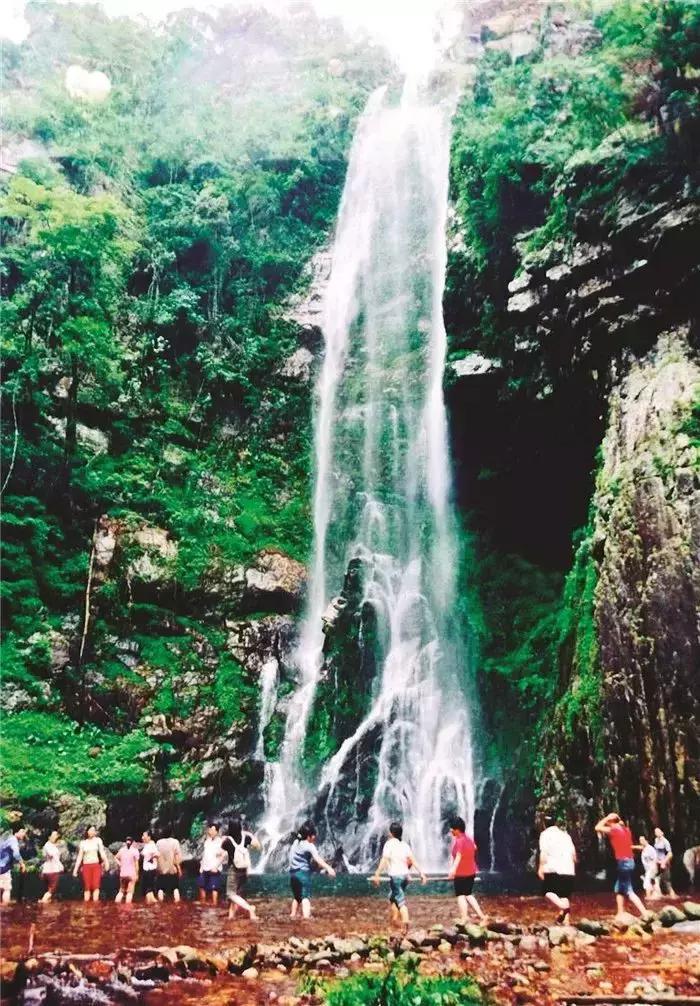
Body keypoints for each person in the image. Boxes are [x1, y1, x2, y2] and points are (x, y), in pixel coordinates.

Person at [372, 821, 427, 931]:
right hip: (405, 877)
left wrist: (377, 873)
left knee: (401, 902)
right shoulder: (404, 845)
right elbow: (412, 860)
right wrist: (421, 873)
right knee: (393, 897)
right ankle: (394, 920)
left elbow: (385, 859)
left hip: (396, 877)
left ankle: (406, 924)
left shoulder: (389, 844)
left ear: (391, 833)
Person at [595, 812, 646, 919]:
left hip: (623, 862)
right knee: (619, 888)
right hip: (630, 861)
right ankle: (620, 913)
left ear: (611, 822)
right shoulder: (626, 830)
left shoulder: (613, 830)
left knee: (628, 890)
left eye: (608, 822)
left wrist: (606, 818)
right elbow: (628, 845)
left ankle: (644, 913)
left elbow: (597, 827)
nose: (607, 824)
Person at [289, 821, 336, 920]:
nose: (315, 837)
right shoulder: (309, 846)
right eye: (314, 835)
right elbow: (317, 859)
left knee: (297, 897)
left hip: (293, 874)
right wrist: (329, 868)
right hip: (303, 875)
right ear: (309, 836)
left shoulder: (296, 842)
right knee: (305, 897)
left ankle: (293, 915)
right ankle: (306, 919)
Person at [538, 815, 577, 925]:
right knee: (564, 894)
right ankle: (566, 921)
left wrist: (541, 867)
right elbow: (574, 855)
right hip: (569, 869)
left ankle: (564, 907)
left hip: (554, 869)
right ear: (555, 823)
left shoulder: (545, 834)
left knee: (546, 891)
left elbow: (544, 853)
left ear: (544, 824)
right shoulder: (566, 835)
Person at [447, 816, 485, 924]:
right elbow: (475, 847)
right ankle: (482, 916)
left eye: (452, 828)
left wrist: (453, 870)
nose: (450, 830)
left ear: (457, 830)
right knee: (468, 894)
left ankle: (464, 918)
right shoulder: (468, 839)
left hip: (461, 873)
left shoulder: (459, 841)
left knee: (460, 895)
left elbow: (458, 856)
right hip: (471, 871)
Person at [221, 817, 261, 921]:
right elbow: (258, 846)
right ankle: (231, 917)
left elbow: (220, 852)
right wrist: (250, 835)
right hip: (244, 870)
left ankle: (249, 908)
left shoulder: (227, 841)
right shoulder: (246, 837)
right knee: (236, 895)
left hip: (234, 870)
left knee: (230, 894)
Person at [73, 825, 109, 902]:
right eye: (91, 830)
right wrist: (75, 870)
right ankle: (87, 905)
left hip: (96, 866)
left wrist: (106, 862)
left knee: (96, 886)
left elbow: (102, 853)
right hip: (86, 866)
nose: (92, 832)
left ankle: (95, 904)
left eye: (94, 830)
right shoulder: (83, 843)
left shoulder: (98, 840)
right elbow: (80, 857)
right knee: (87, 887)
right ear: (87, 831)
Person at [198, 822, 225, 905]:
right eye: (210, 830)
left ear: (217, 832)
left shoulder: (220, 842)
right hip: (205, 867)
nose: (211, 832)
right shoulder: (207, 841)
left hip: (214, 868)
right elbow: (205, 855)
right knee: (201, 886)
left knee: (214, 888)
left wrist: (216, 867)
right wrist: (201, 866)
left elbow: (223, 855)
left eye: (213, 830)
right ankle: (203, 903)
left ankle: (214, 905)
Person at [0, 826, 27, 904]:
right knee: (6, 889)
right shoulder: (13, 840)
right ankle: (5, 908)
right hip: (3, 868)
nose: (24, 834)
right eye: (22, 832)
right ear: (16, 832)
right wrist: (22, 863)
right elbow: (16, 853)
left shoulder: (5, 839)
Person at [156, 828, 182, 903]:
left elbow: (157, 856)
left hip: (161, 870)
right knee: (175, 888)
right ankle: (177, 903)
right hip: (172, 869)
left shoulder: (158, 843)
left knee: (160, 888)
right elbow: (177, 857)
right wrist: (179, 869)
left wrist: (157, 868)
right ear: (171, 833)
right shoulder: (175, 842)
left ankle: (160, 903)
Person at [40, 830, 63, 903]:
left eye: (56, 835)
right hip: (52, 870)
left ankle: (47, 909)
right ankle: (43, 902)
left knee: (50, 890)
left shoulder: (52, 845)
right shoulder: (47, 845)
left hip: (49, 870)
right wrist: (60, 865)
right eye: (54, 835)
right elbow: (52, 855)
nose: (56, 837)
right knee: (52, 889)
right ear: (49, 837)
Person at [115, 837, 140, 903]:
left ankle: (117, 904)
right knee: (130, 892)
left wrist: (120, 864)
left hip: (123, 874)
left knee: (121, 891)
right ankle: (128, 907)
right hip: (131, 874)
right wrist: (137, 875)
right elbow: (136, 864)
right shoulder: (135, 851)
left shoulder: (121, 850)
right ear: (132, 842)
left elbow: (115, 858)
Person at [654, 827, 677, 897]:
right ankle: (660, 895)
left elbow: (670, 854)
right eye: (655, 832)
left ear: (662, 833)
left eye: (658, 831)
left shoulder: (665, 841)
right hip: (657, 863)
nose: (656, 833)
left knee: (667, 881)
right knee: (657, 880)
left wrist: (664, 862)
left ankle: (673, 896)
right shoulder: (656, 840)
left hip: (664, 863)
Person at [141, 830, 159, 904]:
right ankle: (152, 904)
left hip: (149, 870)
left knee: (148, 889)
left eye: (144, 836)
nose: (142, 837)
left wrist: (150, 858)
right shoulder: (147, 845)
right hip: (148, 869)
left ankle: (149, 905)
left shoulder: (151, 844)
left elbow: (158, 854)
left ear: (149, 837)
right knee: (149, 889)